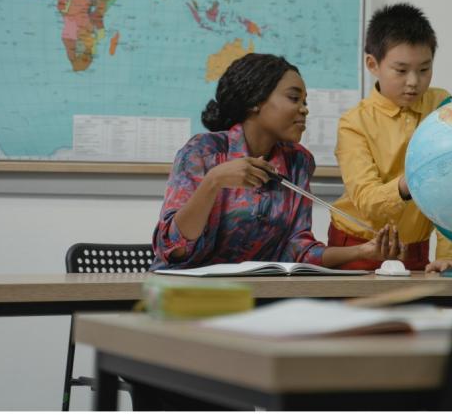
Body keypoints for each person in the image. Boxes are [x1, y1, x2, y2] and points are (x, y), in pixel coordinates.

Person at [150, 53, 403, 271]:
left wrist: (365, 252)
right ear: (255, 101)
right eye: (294, 99)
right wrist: (213, 181)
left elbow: (298, 249)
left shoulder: (298, 162)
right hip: (184, 296)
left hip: (257, 298)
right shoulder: (202, 152)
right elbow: (171, 246)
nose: (304, 109)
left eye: (305, 102)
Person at [328, 3, 452, 272]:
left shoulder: (442, 106)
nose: (413, 81)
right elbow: (367, 201)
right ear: (372, 64)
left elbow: (449, 190)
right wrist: (409, 183)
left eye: (424, 69)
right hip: (358, 245)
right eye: (401, 71)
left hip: (415, 248)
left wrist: (449, 256)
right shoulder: (354, 124)